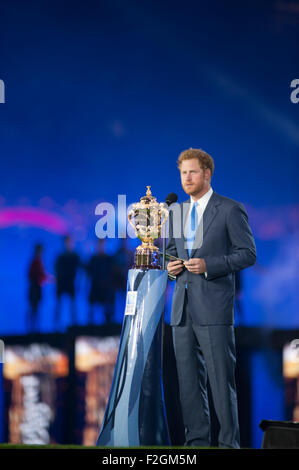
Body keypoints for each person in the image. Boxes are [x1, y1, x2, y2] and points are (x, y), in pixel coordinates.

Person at [166, 148, 256, 448]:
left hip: (215, 309)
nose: (187, 178)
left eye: (192, 172)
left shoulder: (230, 209)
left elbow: (248, 254)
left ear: (207, 174)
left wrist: (209, 266)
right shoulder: (176, 212)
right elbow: (171, 252)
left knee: (221, 384)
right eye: (182, 173)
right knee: (189, 386)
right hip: (181, 310)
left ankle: (229, 445)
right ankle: (196, 445)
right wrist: (170, 267)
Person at [86, 238, 116, 324]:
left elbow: (112, 273)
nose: (101, 247)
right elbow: (89, 271)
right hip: (95, 286)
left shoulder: (109, 259)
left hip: (106, 287)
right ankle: (90, 327)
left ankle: (108, 326)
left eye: (103, 244)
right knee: (92, 310)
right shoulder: (93, 259)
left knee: (107, 310)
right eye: (100, 244)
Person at [54, 235, 81, 328]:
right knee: (59, 305)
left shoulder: (75, 256)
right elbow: (56, 270)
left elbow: (80, 269)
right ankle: (56, 325)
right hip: (62, 283)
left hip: (70, 283)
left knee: (72, 305)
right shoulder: (60, 257)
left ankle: (74, 324)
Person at [27, 243, 47, 332]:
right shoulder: (36, 262)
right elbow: (34, 276)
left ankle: (33, 328)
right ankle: (32, 329)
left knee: (35, 309)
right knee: (34, 309)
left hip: (35, 289)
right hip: (35, 290)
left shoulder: (37, 261)